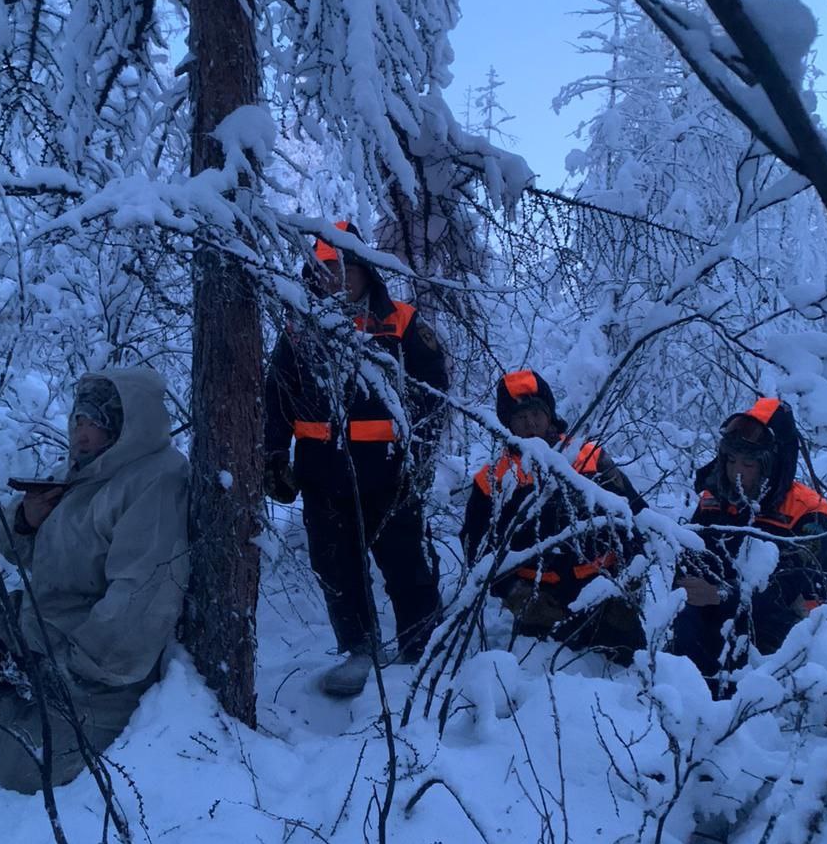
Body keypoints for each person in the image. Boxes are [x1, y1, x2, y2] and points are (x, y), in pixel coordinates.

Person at [0, 368, 189, 792]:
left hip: (101, 665)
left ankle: (29, 725)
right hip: (45, 621)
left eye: (95, 421)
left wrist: (76, 668)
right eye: (78, 419)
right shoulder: (86, 469)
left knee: (20, 767)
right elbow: (22, 552)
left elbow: (142, 597)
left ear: (127, 424)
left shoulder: (156, 481)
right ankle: (13, 713)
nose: (81, 431)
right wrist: (26, 519)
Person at [264, 221, 448, 697]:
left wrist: (420, 458)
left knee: (405, 564)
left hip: (390, 473)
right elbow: (276, 395)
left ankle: (423, 650)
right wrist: (271, 455)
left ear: (366, 270)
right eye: (326, 268)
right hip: (321, 476)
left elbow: (432, 395)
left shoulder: (402, 322)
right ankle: (359, 650)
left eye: (346, 267)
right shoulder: (298, 326)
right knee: (335, 568)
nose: (337, 277)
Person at [461, 369, 646, 665]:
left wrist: (630, 574)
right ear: (508, 424)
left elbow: (635, 513)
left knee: (629, 673)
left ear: (549, 414)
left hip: (605, 592)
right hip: (539, 604)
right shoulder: (492, 478)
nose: (531, 423)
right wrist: (513, 592)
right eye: (520, 418)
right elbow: (475, 545)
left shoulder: (587, 456)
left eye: (536, 413)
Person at [671, 396, 827, 695]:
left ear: (773, 464)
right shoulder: (714, 498)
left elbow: (788, 587)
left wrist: (720, 595)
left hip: (784, 628)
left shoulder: (809, 511)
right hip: (718, 612)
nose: (737, 472)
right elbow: (691, 557)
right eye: (731, 460)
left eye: (748, 463)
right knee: (681, 619)